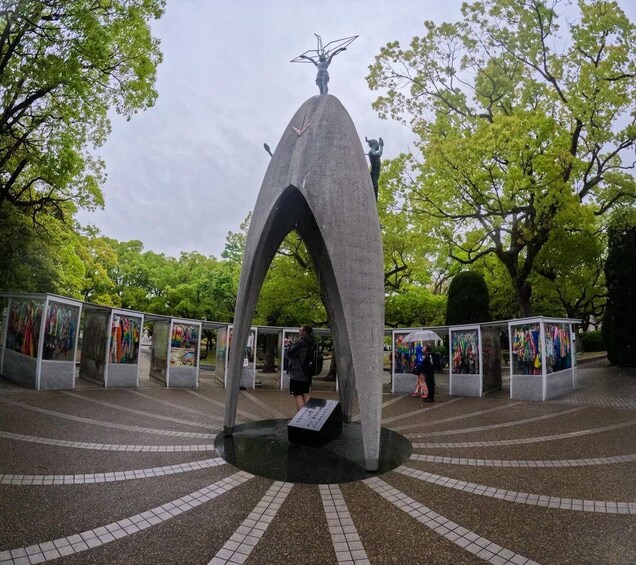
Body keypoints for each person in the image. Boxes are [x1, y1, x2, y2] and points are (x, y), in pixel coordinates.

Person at [287, 325, 316, 411]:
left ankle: (301, 418)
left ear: (305, 332)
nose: (299, 331)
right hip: (307, 372)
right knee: (306, 393)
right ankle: (308, 415)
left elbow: (290, 353)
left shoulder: (301, 342)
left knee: (298, 394)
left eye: (300, 330)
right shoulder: (312, 342)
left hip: (298, 373)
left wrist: (290, 345)